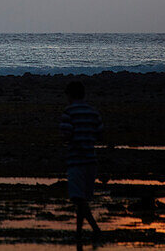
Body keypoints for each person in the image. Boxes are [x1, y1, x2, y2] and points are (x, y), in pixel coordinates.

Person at [60, 80, 102, 245]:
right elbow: (100, 134)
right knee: (83, 198)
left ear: (69, 95)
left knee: (78, 199)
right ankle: (78, 233)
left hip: (76, 160)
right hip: (91, 160)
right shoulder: (93, 112)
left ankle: (95, 228)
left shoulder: (68, 112)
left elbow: (66, 134)